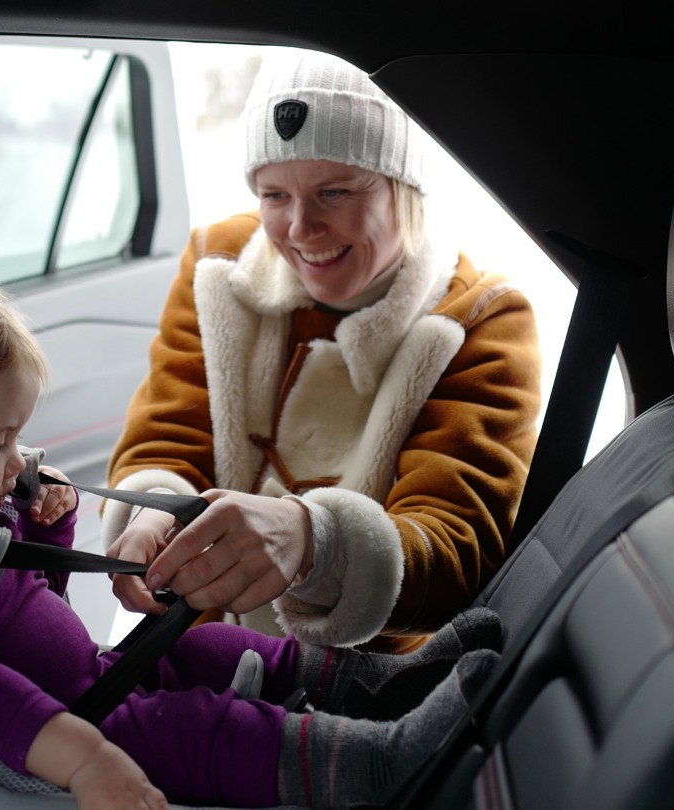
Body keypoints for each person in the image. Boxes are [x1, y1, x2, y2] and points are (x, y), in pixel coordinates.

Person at [0, 255, 505, 809]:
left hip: (95, 677)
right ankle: (369, 766)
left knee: (211, 644)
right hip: (76, 726)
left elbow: (33, 605)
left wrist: (56, 531)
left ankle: (377, 685)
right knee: (195, 731)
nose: (18, 462)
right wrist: (92, 764)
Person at [104, 51, 543, 653]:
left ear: (404, 189)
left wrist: (316, 541)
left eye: (333, 191)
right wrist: (154, 510)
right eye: (273, 195)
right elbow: (168, 433)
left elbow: (457, 547)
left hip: (367, 686)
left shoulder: (480, 321)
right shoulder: (220, 266)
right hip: (201, 649)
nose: (299, 229)